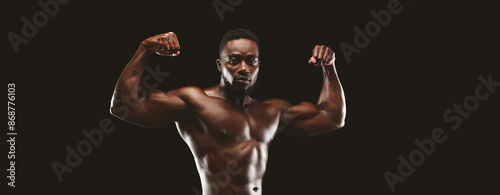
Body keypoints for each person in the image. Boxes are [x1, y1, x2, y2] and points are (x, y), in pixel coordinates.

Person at [110, 29, 346, 195]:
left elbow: (333, 117)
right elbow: (125, 106)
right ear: (220, 65)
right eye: (234, 60)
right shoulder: (195, 101)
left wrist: (329, 67)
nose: (243, 68)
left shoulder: (272, 110)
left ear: (258, 66)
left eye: (251, 61)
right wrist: (145, 49)